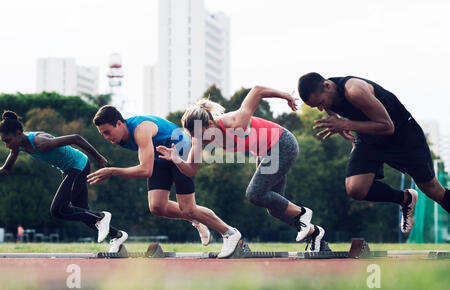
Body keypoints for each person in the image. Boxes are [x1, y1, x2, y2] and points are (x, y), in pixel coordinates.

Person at [157, 86, 327, 252]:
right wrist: (177, 160)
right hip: (265, 152)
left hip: (282, 144)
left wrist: (286, 96)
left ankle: (302, 213)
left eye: (201, 136)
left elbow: (257, 90)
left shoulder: (234, 122)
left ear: (210, 124)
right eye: (195, 137)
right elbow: (191, 170)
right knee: (274, 208)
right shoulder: (199, 138)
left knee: (254, 194)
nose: (200, 141)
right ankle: (315, 233)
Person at [297, 72, 450, 234]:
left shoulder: (354, 91)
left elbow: (387, 126)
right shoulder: (326, 95)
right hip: (369, 138)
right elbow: (331, 110)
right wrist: (339, 126)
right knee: (355, 189)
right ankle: (405, 199)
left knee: (432, 189)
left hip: (402, 135)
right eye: (316, 107)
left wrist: (345, 123)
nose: (321, 108)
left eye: (321, 103)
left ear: (327, 86)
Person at [89, 106, 241, 258]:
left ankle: (229, 232)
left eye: (107, 132)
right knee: (157, 207)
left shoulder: (140, 130)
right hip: (160, 158)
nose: (106, 137)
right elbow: (148, 165)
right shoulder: (120, 136)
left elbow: (145, 170)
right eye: (102, 134)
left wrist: (112, 171)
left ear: (119, 123)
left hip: (179, 150)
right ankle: (196, 218)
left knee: (188, 208)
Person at [0, 110, 127, 252]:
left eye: (7, 140)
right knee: (83, 213)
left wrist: (98, 158)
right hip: (68, 170)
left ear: (18, 133)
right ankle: (118, 235)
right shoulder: (18, 146)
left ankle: (102, 216)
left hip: (78, 166)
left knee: (58, 209)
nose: (7, 145)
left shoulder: (40, 142)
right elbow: (5, 170)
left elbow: (76, 138)